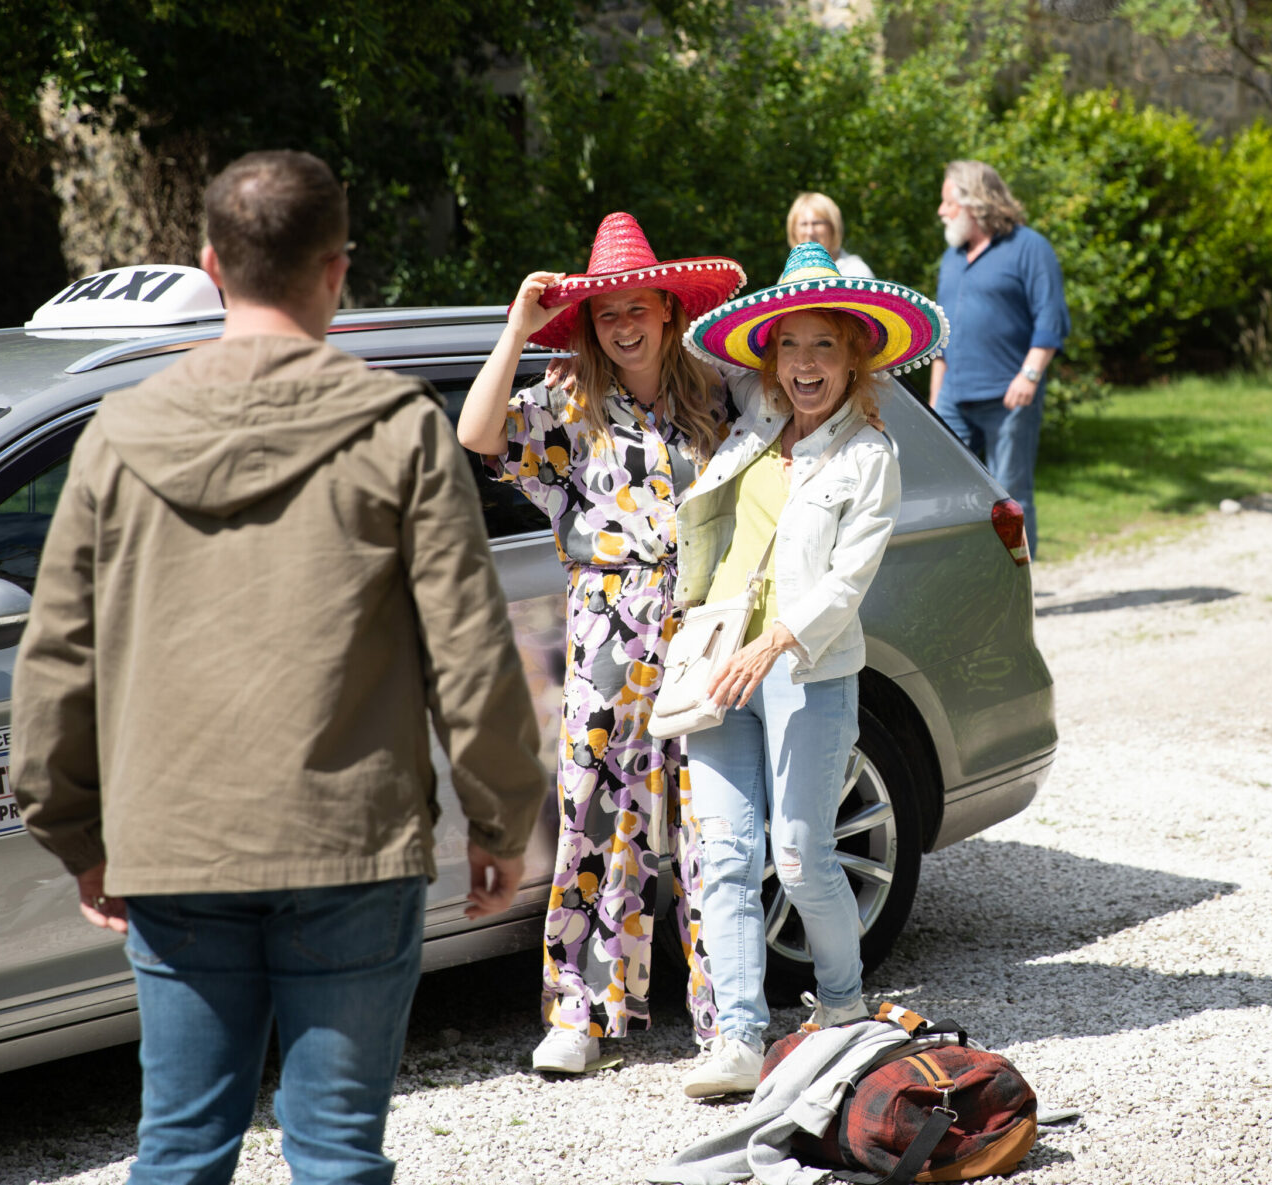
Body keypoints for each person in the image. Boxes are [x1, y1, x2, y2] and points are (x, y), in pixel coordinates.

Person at [10, 149, 546, 1185]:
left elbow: (58, 655)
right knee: (338, 1151)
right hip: (350, 842)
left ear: (212, 266)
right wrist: (500, 821)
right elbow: (472, 651)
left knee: (178, 1147)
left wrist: (73, 828)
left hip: (174, 842)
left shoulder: (118, 434)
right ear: (337, 270)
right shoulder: (399, 431)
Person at [457, 212, 747, 1075]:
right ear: (592, 323)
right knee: (595, 810)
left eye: (636, 308)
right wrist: (517, 324)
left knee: (707, 819)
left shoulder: (716, 394)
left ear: (665, 309)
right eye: (606, 312)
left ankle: (727, 1022)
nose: (623, 325)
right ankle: (580, 1013)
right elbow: (477, 432)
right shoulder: (568, 402)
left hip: (698, 623)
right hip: (608, 624)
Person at [673, 242, 947, 1098]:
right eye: (787, 347)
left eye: (823, 346)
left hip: (807, 669)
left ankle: (840, 1008)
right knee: (722, 855)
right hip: (719, 664)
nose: (803, 365)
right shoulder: (750, 424)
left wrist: (774, 641)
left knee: (798, 855)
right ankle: (741, 1037)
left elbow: (844, 586)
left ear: (856, 354)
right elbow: (666, 356)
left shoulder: (870, 457)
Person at [930, 159, 1070, 558]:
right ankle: (972, 583)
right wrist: (937, 406)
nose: (942, 211)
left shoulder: (1030, 247)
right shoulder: (952, 258)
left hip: (1009, 397)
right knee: (951, 493)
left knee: (1010, 494)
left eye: (948, 202)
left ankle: (1019, 587)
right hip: (955, 399)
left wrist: (1029, 376)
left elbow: (1051, 318)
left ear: (976, 202)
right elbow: (943, 338)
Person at [786, 191, 874, 279]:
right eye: (804, 224)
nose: (810, 232)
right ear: (794, 230)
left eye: (817, 223)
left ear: (833, 227)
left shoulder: (856, 273)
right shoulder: (787, 277)